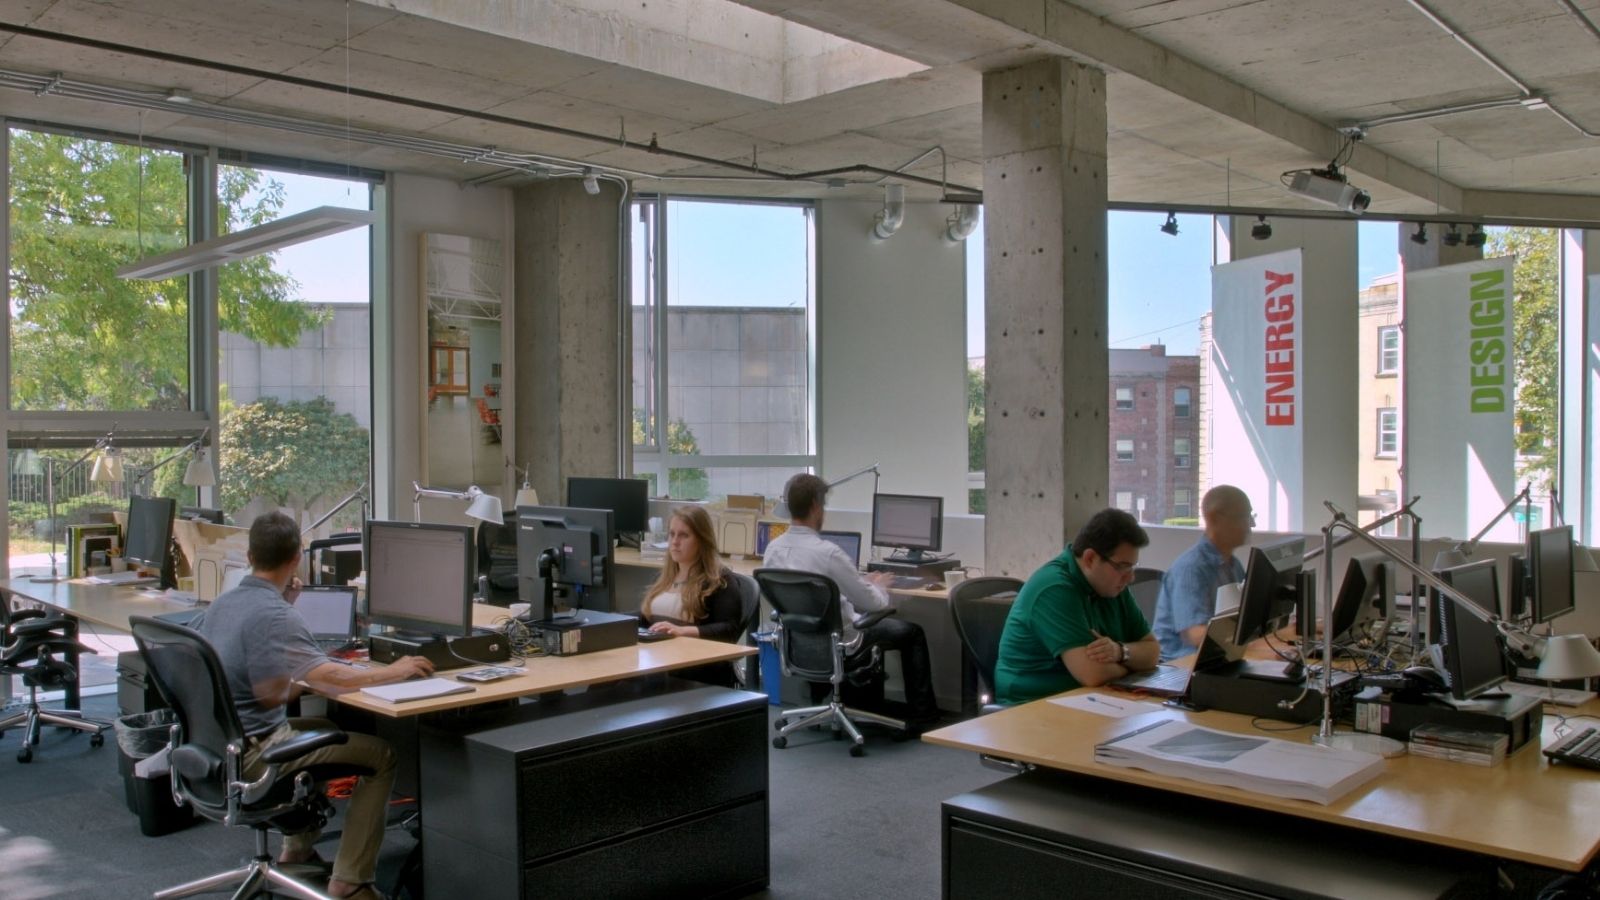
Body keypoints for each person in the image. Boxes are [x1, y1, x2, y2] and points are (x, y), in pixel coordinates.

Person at [193, 512, 434, 900]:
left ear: (250, 555)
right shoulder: (278, 615)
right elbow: (327, 677)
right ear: (297, 558)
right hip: (259, 753)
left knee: (322, 733)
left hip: (221, 746)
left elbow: (257, 671)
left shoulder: (222, 605)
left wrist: (286, 603)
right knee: (382, 755)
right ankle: (350, 880)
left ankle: (297, 850)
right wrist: (393, 671)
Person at [762, 473, 941, 729]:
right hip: (844, 642)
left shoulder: (773, 549)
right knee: (912, 633)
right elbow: (874, 605)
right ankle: (925, 717)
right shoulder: (828, 553)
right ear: (816, 505)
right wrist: (877, 585)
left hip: (798, 645)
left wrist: (857, 581)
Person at [993, 508, 1160, 706]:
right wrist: (1134, 666)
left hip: (1088, 700)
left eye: (1132, 567)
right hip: (1030, 707)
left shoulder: (1113, 587)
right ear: (1090, 559)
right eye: (1122, 566)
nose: (1130, 577)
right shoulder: (1054, 588)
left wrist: (1119, 652)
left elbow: (1152, 651)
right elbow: (1093, 674)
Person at [638, 505, 745, 687]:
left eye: (684, 535)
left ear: (702, 541)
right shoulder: (665, 578)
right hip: (659, 659)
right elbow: (646, 617)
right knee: (605, 683)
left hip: (695, 669)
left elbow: (729, 631)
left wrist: (682, 631)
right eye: (672, 534)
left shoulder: (719, 580)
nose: (675, 542)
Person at [1152, 485, 1253, 661]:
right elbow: (1196, 635)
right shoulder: (1191, 569)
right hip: (1181, 665)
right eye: (1243, 517)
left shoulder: (1233, 565)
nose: (1251, 524)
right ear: (1214, 518)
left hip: (1216, 659)